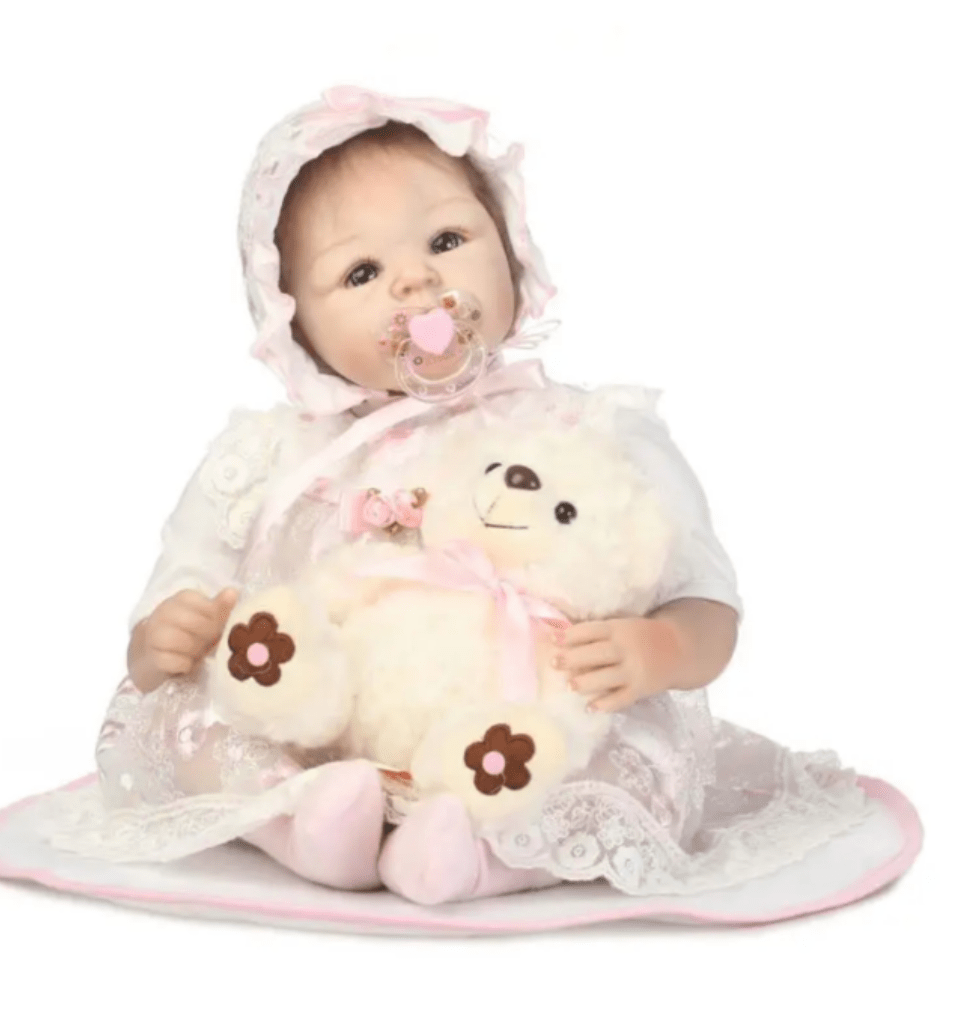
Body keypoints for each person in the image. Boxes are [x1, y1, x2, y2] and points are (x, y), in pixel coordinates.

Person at [90, 86, 871, 905]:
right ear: (291, 322)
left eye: (446, 240)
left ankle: (483, 852)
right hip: (320, 727)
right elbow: (189, 577)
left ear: (511, 247)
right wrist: (165, 636)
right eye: (361, 272)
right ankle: (303, 819)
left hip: (514, 736)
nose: (417, 280)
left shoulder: (582, 434)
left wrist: (659, 649)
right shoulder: (273, 456)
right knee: (194, 714)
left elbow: (706, 598)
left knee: (633, 761)